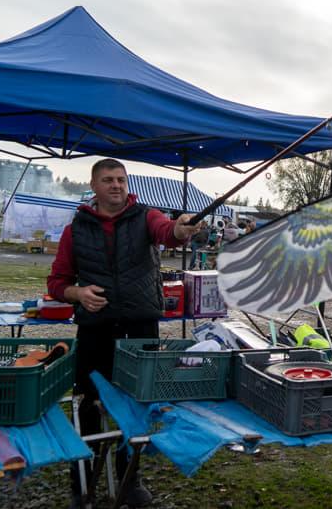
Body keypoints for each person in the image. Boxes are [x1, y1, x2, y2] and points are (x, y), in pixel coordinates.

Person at [47, 158, 199, 508]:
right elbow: (56, 282)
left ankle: (130, 480)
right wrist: (77, 293)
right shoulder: (76, 229)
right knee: (88, 406)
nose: (116, 185)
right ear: (94, 186)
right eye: (108, 180)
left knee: (135, 406)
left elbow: (168, 232)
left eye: (120, 179)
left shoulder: (146, 216)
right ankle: (82, 483)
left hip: (139, 330)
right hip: (95, 331)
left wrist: (181, 229)